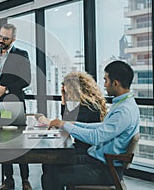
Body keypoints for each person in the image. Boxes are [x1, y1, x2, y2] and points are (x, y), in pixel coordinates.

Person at [41, 61, 140, 189]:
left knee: (51, 176)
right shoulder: (124, 104)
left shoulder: (124, 110)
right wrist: (70, 124)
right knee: (52, 164)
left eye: (106, 80)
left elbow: (96, 137)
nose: (104, 85)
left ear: (115, 83)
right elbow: (100, 127)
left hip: (104, 169)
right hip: (97, 160)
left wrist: (65, 125)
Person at [0, 23, 32, 190]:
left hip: (14, 102)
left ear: (13, 39)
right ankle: (8, 180)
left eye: (5, 38)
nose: (1, 41)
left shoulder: (22, 54)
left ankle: (25, 180)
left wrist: (6, 89)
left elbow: (26, 80)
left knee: (19, 143)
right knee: (2, 142)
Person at [59, 71, 107, 153]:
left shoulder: (87, 107)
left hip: (87, 150)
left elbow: (69, 123)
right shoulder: (89, 103)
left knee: (50, 159)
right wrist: (63, 99)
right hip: (86, 147)